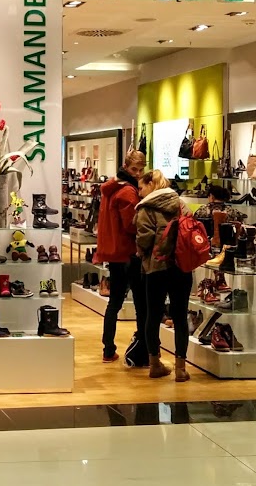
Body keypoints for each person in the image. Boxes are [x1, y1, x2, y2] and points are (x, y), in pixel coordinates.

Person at [135, 170, 191, 382]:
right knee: (180, 316)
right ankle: (181, 368)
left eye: (141, 188)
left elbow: (144, 240)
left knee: (153, 315)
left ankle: (155, 364)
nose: (139, 193)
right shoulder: (180, 204)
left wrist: (141, 253)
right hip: (181, 266)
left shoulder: (146, 209)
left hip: (156, 268)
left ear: (151, 185)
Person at [95, 150, 145, 363]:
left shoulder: (111, 187)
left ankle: (108, 349)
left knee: (114, 303)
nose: (138, 173)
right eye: (134, 169)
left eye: (141, 170)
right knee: (141, 303)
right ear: (126, 167)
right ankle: (142, 349)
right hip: (129, 253)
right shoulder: (128, 192)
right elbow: (131, 225)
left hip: (115, 253)